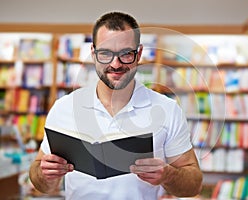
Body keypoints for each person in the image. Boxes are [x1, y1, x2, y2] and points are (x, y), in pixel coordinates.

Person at [29, 11, 202, 199]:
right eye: (105, 53)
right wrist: (46, 175)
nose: (116, 64)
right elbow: (40, 182)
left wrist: (168, 175)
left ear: (139, 54)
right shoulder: (64, 107)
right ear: (93, 54)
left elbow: (193, 186)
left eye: (126, 54)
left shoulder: (168, 110)